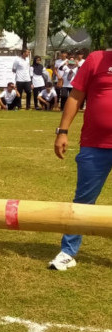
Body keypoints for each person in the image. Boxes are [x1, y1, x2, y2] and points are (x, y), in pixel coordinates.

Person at [49, 50, 112, 270]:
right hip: (95, 145)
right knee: (84, 201)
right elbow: (75, 96)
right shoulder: (96, 59)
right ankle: (68, 251)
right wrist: (62, 131)